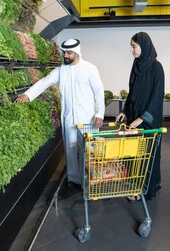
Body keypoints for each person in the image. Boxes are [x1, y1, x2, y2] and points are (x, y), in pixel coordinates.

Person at [15, 38, 105, 188]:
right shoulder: (60, 70)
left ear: (77, 53)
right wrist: (28, 95)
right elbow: (44, 82)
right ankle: (74, 179)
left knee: (89, 149)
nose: (66, 56)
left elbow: (99, 92)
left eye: (69, 53)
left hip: (87, 118)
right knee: (70, 150)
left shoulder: (90, 69)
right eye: (64, 52)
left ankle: (92, 179)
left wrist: (100, 113)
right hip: (68, 118)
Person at [116, 32, 164, 201]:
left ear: (144, 46)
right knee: (134, 155)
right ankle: (134, 185)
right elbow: (133, 92)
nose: (132, 50)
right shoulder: (136, 65)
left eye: (134, 46)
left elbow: (157, 96)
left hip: (148, 120)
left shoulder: (156, 68)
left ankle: (144, 189)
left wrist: (142, 118)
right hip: (135, 115)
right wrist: (125, 111)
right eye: (131, 46)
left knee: (146, 155)